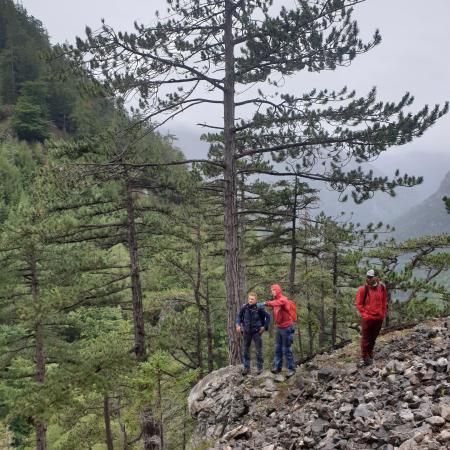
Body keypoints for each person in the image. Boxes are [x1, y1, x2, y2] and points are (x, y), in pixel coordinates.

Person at [261, 284, 296, 378]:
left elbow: (276, 303)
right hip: (279, 327)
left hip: (286, 327)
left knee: (287, 349)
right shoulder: (276, 301)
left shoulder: (283, 299)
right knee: (278, 348)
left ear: (278, 290)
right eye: (271, 290)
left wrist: (265, 303)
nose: (272, 291)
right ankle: (278, 367)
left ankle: (291, 369)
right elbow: (274, 304)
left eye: (273, 290)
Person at [355, 269, 387, 366]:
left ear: (376, 277)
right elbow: (359, 304)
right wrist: (365, 316)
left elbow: (384, 300)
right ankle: (365, 356)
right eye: (368, 277)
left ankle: (370, 352)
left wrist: (382, 313)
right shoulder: (362, 289)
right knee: (366, 338)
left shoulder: (381, 287)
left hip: (378, 318)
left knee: (373, 337)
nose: (369, 279)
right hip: (368, 319)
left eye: (371, 277)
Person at [236, 291, 270, 375]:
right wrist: (237, 325)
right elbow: (239, 316)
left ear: (255, 300)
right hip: (246, 332)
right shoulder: (244, 307)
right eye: (249, 299)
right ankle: (246, 368)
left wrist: (264, 327)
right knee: (245, 350)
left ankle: (260, 369)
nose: (250, 301)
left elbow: (268, 316)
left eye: (252, 299)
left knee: (258, 350)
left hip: (256, 332)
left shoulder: (259, 308)